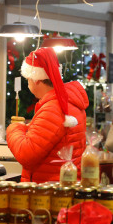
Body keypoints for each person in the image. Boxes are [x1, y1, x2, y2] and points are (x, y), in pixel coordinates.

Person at [6, 47, 89, 183]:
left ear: (36, 79)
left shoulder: (53, 108)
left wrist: (15, 128)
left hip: (49, 192)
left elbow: (26, 154)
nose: (28, 83)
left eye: (28, 79)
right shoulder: (67, 102)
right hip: (64, 185)